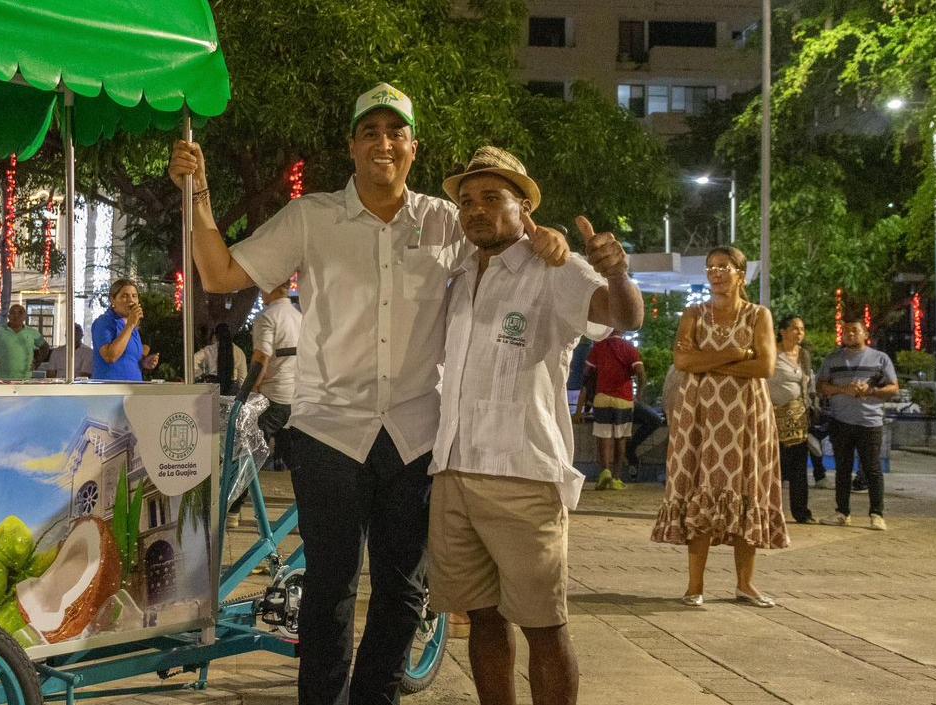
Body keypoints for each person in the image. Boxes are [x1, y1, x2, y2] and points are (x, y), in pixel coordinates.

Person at [168, 84, 571, 705]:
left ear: (413, 147)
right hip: (328, 431)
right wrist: (199, 195)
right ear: (352, 146)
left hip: (415, 434)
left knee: (403, 590)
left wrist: (548, 238)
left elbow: (507, 238)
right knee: (329, 587)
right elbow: (219, 273)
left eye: (395, 132)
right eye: (370, 132)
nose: (384, 143)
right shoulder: (311, 218)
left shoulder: (446, 221)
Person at [429, 147, 641, 705]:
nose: (476, 210)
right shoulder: (458, 275)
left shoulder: (555, 270)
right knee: (482, 618)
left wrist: (617, 272)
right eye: (467, 201)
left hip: (522, 474)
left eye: (491, 197)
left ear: (524, 207)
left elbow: (622, 315)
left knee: (544, 625)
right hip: (453, 468)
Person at [652, 246, 786, 607]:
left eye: (724, 267)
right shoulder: (694, 314)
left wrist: (708, 363)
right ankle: (694, 586)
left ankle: (745, 584)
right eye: (711, 267)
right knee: (702, 487)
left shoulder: (758, 316)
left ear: (740, 274)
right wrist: (736, 354)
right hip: (701, 415)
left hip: (746, 415)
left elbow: (765, 367)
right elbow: (682, 360)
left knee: (747, 490)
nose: (716, 273)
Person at [817, 319, 898, 530]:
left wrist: (870, 391)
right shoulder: (833, 359)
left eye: (855, 331)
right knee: (842, 469)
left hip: (870, 422)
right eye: (846, 331)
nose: (850, 334)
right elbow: (821, 386)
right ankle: (842, 512)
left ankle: (877, 514)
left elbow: (893, 388)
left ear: (865, 334)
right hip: (840, 421)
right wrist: (843, 390)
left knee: (872, 469)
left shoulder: (880, 358)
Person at [769, 315, 817, 524]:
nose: (799, 333)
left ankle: (801, 511)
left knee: (799, 467)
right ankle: (770, 511)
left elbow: (808, 383)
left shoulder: (803, 355)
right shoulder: (771, 352)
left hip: (798, 417)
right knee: (774, 466)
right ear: (783, 331)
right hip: (774, 416)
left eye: (802, 329)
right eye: (795, 328)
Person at [584, 332, 644, 490]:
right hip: (623, 399)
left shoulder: (598, 347)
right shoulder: (630, 348)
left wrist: (590, 394)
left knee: (603, 436)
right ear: (622, 332)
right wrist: (638, 395)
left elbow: (587, 372)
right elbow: (640, 372)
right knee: (621, 438)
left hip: (602, 397)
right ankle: (616, 478)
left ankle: (605, 471)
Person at [251, 283, 302, 467]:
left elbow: (261, 357)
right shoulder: (299, 317)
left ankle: (248, 481)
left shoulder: (267, 317)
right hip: (296, 396)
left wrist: (253, 387)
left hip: (274, 395)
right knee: (291, 453)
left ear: (270, 287)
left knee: (252, 444)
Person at [91, 279, 160, 381]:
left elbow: (129, 359)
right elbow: (110, 357)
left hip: (133, 387)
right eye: (124, 296)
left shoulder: (132, 325)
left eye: (134, 296)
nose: (131, 300)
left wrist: (144, 363)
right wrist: (130, 325)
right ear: (112, 300)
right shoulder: (104, 322)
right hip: (111, 387)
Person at [0, 303, 49, 381]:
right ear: (8, 316)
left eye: (20, 313)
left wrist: (37, 363)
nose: (16, 316)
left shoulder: (32, 332)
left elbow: (45, 347)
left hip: (24, 379)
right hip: (0, 379)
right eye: (13, 313)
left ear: (24, 317)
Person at [192, 323, 246, 394]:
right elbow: (242, 377)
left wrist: (200, 374)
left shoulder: (209, 350)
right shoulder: (239, 352)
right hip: (232, 388)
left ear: (216, 336)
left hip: (212, 386)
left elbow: (193, 360)